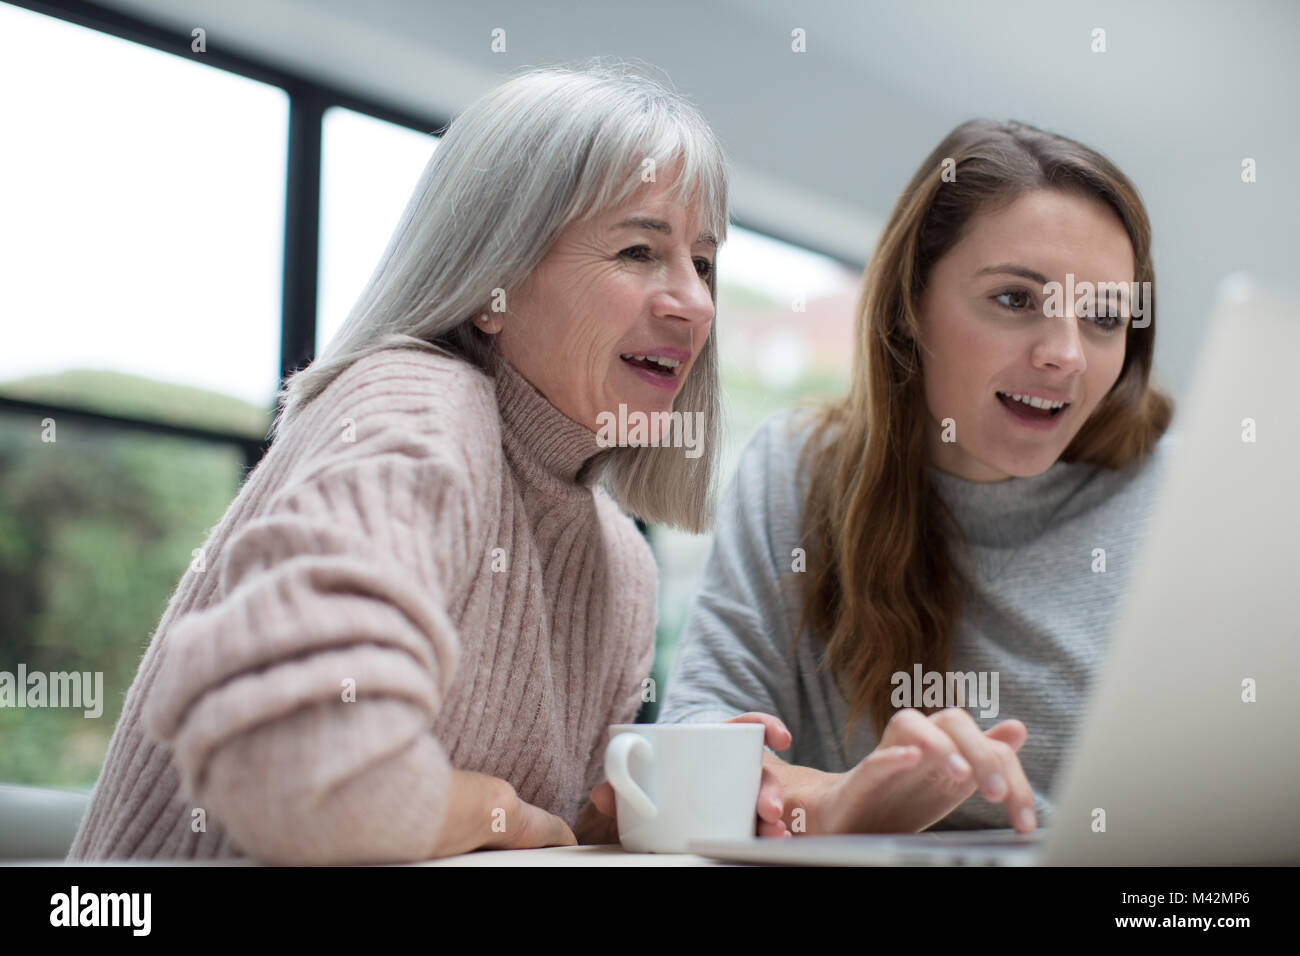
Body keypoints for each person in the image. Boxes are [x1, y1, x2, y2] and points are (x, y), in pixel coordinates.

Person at [65, 64, 784, 864]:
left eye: (704, 262)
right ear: (491, 284)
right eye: (639, 250)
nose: (694, 302)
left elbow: (481, 838)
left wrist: (614, 822)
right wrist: (501, 810)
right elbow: (305, 767)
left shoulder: (620, 562)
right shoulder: (419, 406)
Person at [624, 119, 1176, 837]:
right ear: (911, 306)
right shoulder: (801, 469)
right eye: (1015, 299)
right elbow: (699, 746)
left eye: (1105, 317)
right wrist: (829, 804)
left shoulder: (1178, 488)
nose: (1066, 355)